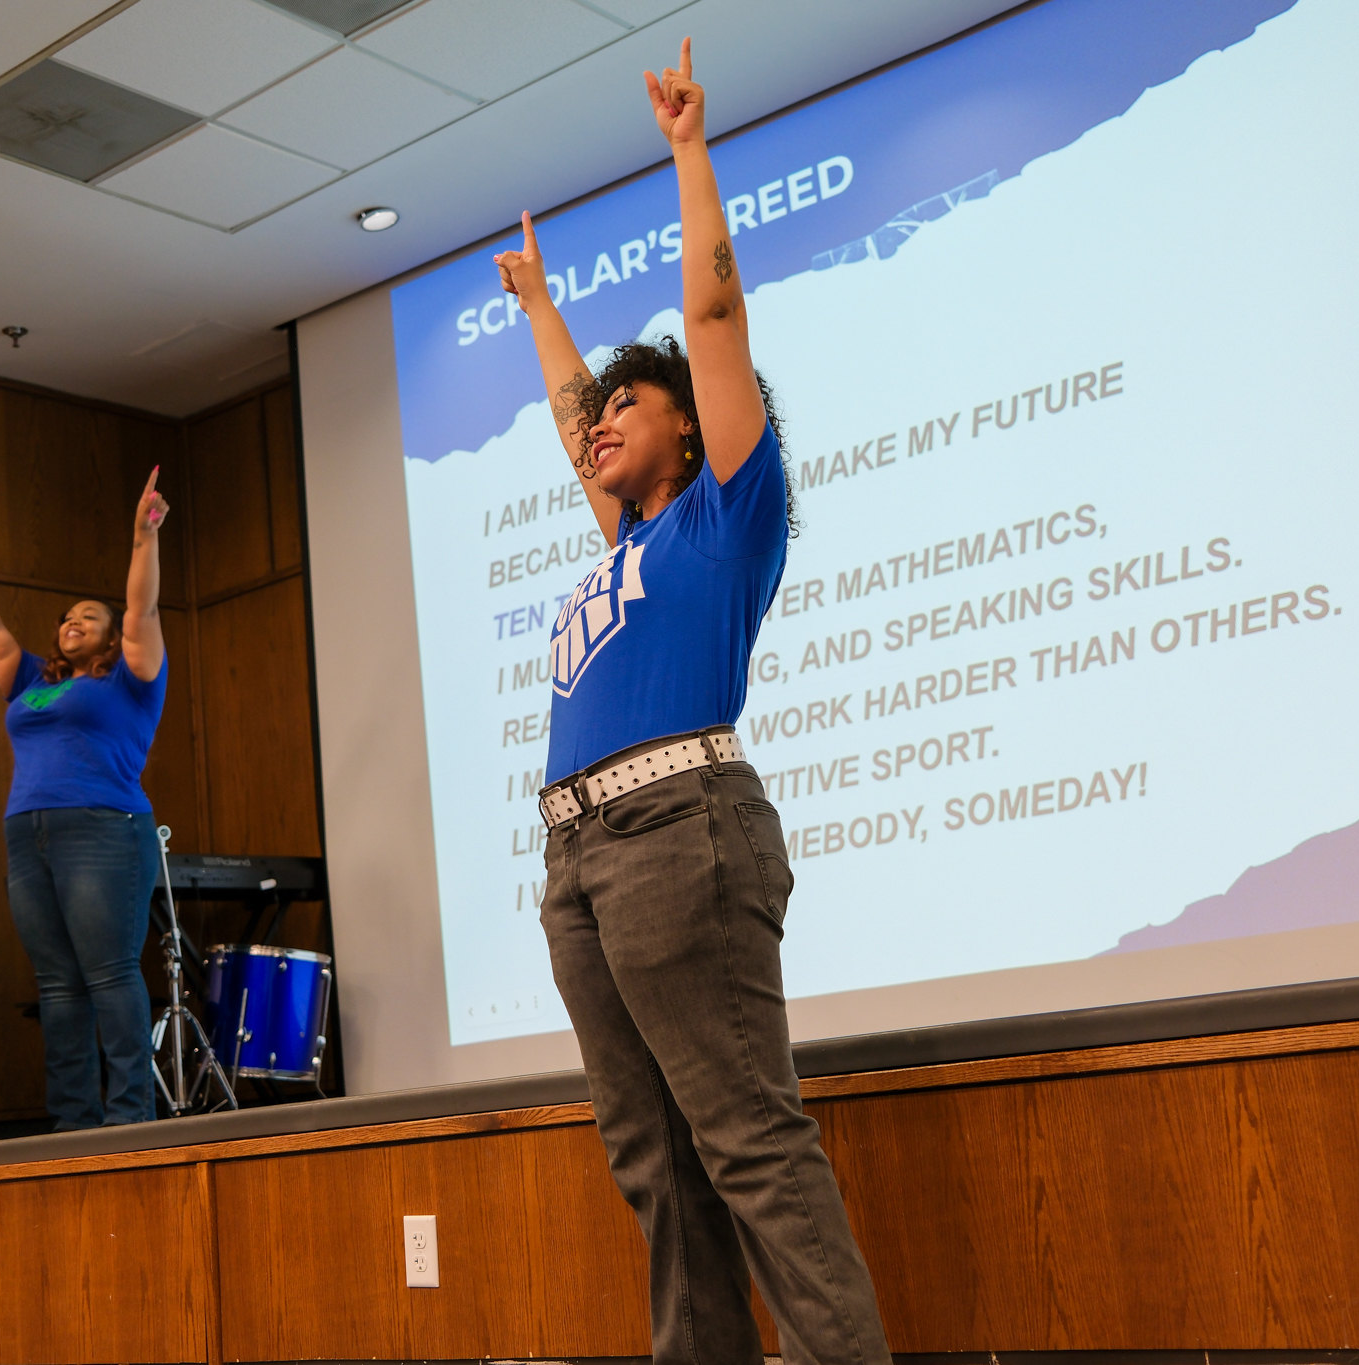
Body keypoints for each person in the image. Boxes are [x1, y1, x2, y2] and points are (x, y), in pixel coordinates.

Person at [493, 40, 893, 1365]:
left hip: (681, 827)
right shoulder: (618, 541)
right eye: (600, 411)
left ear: (693, 427)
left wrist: (687, 155)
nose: (602, 423)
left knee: (745, 1140)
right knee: (655, 1159)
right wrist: (542, 306)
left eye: (631, 405)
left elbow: (715, 324)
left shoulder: (727, 517)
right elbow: (567, 414)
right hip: (579, 855)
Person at [0, 471, 171, 1129]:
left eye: (88, 616)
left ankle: (131, 1116)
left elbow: (143, 610)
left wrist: (142, 538)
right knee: (58, 985)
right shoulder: (30, 681)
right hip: (27, 836)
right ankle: (73, 1121)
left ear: (110, 638)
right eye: (66, 616)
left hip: (103, 829)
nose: (72, 621)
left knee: (108, 974)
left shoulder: (131, 678)